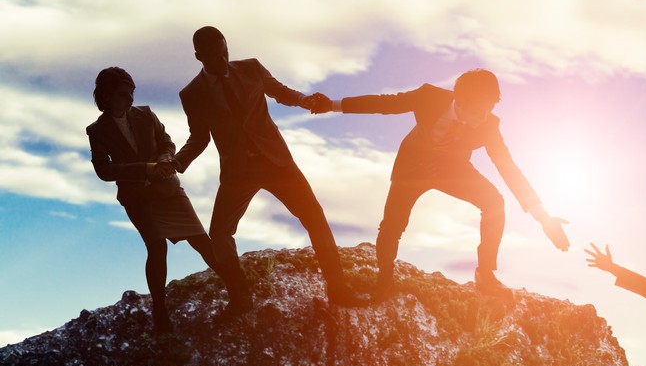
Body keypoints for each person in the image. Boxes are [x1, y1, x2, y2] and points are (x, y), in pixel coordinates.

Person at [308, 69, 568, 298]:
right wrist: (331, 104)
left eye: (489, 110)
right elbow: (383, 104)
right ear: (460, 101)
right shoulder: (428, 97)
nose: (483, 118)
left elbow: (508, 168)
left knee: (494, 202)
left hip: (451, 169)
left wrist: (543, 218)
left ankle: (485, 274)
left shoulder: (490, 125)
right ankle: (384, 278)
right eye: (478, 112)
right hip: (413, 166)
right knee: (392, 226)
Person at [174, 26, 364, 306]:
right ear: (199, 56)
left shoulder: (251, 68)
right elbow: (199, 138)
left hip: (276, 162)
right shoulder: (192, 94)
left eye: (225, 51)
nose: (223, 60)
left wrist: (304, 100)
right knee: (220, 234)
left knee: (314, 217)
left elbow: (280, 91)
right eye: (215, 56)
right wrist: (177, 161)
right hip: (238, 172)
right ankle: (241, 299)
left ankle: (338, 290)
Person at [87, 67, 253, 334]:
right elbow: (103, 171)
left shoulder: (146, 114)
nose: (129, 98)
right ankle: (160, 313)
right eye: (123, 94)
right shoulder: (97, 130)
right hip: (138, 197)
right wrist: (145, 168)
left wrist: (165, 159)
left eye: (132, 92)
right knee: (156, 248)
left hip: (167, 189)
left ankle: (238, 291)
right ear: (106, 96)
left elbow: (167, 142)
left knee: (202, 241)